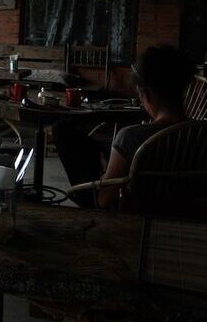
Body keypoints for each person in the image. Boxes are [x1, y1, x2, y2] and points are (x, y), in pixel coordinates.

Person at [56, 44, 195, 209]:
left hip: (135, 212)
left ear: (147, 96)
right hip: (189, 211)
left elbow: (104, 201)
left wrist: (107, 176)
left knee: (62, 131)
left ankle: (108, 166)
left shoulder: (132, 137)